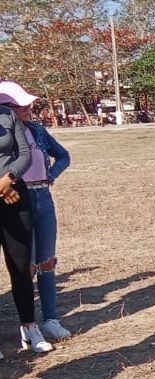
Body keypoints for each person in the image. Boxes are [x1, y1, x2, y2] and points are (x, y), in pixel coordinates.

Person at [2, 82, 72, 341]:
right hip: (18, 198)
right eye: (20, 105)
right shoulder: (4, 136)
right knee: (25, 264)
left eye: (29, 104)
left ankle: (51, 319)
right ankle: (28, 323)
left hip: (43, 195)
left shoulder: (37, 130)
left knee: (47, 260)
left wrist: (51, 175)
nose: (28, 109)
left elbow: (63, 156)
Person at [0, 83, 53, 355]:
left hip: (13, 196)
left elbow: (24, 155)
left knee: (21, 265)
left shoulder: (8, 116)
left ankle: (30, 326)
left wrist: (9, 180)